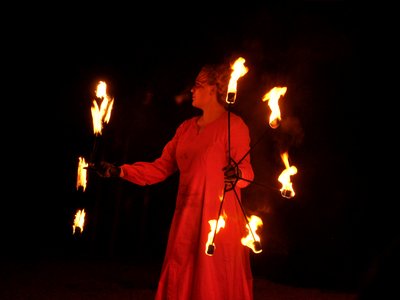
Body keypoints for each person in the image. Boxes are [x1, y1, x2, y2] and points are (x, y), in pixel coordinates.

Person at [96, 61, 255, 300]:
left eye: (198, 85)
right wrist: (120, 171)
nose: (192, 90)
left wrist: (237, 175)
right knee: (181, 276)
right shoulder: (186, 129)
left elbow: (247, 171)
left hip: (218, 223)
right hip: (187, 219)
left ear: (214, 89)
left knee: (213, 281)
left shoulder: (234, 126)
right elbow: (160, 168)